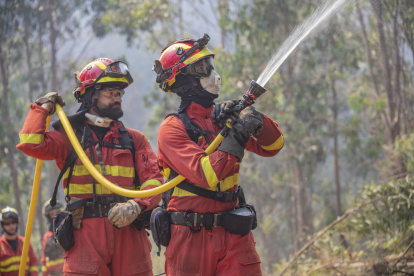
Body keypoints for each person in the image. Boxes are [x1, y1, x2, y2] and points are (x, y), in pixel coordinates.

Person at [17, 58, 163, 275]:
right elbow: (30, 142)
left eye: (120, 93)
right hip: (85, 239)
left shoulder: (134, 140)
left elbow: (155, 181)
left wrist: (135, 206)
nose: (117, 98)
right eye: (110, 93)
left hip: (130, 235)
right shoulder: (69, 138)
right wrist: (43, 107)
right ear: (90, 95)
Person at [153, 34, 284, 275]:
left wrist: (255, 119)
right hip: (189, 241)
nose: (213, 74)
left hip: (235, 233)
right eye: (202, 68)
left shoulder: (224, 118)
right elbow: (207, 173)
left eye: (210, 66)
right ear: (183, 80)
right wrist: (238, 133)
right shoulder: (172, 128)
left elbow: (274, 145)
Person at [0, 206, 38, 276]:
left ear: (17, 223)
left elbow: (33, 264)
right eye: (7, 223)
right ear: (2, 226)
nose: (11, 226)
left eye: (13, 222)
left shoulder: (25, 242)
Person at [41, 200, 64, 276]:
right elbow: (44, 260)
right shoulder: (47, 236)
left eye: (56, 213)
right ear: (47, 216)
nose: (54, 216)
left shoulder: (66, 232)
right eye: (52, 214)